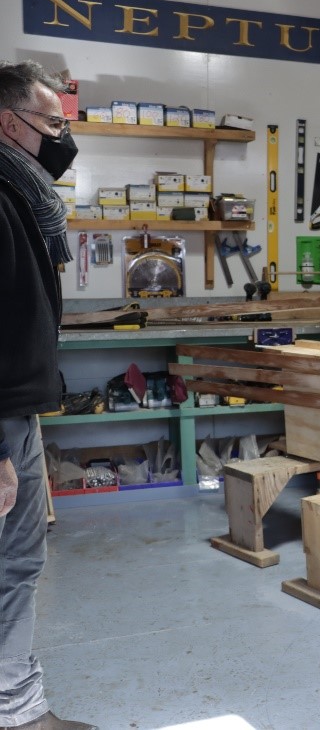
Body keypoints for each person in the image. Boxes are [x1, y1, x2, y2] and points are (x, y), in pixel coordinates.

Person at [0, 60, 95, 730]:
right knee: (15, 561)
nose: (64, 140)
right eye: (52, 124)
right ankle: (16, 708)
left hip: (13, 408)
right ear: (9, 122)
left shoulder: (20, 195)